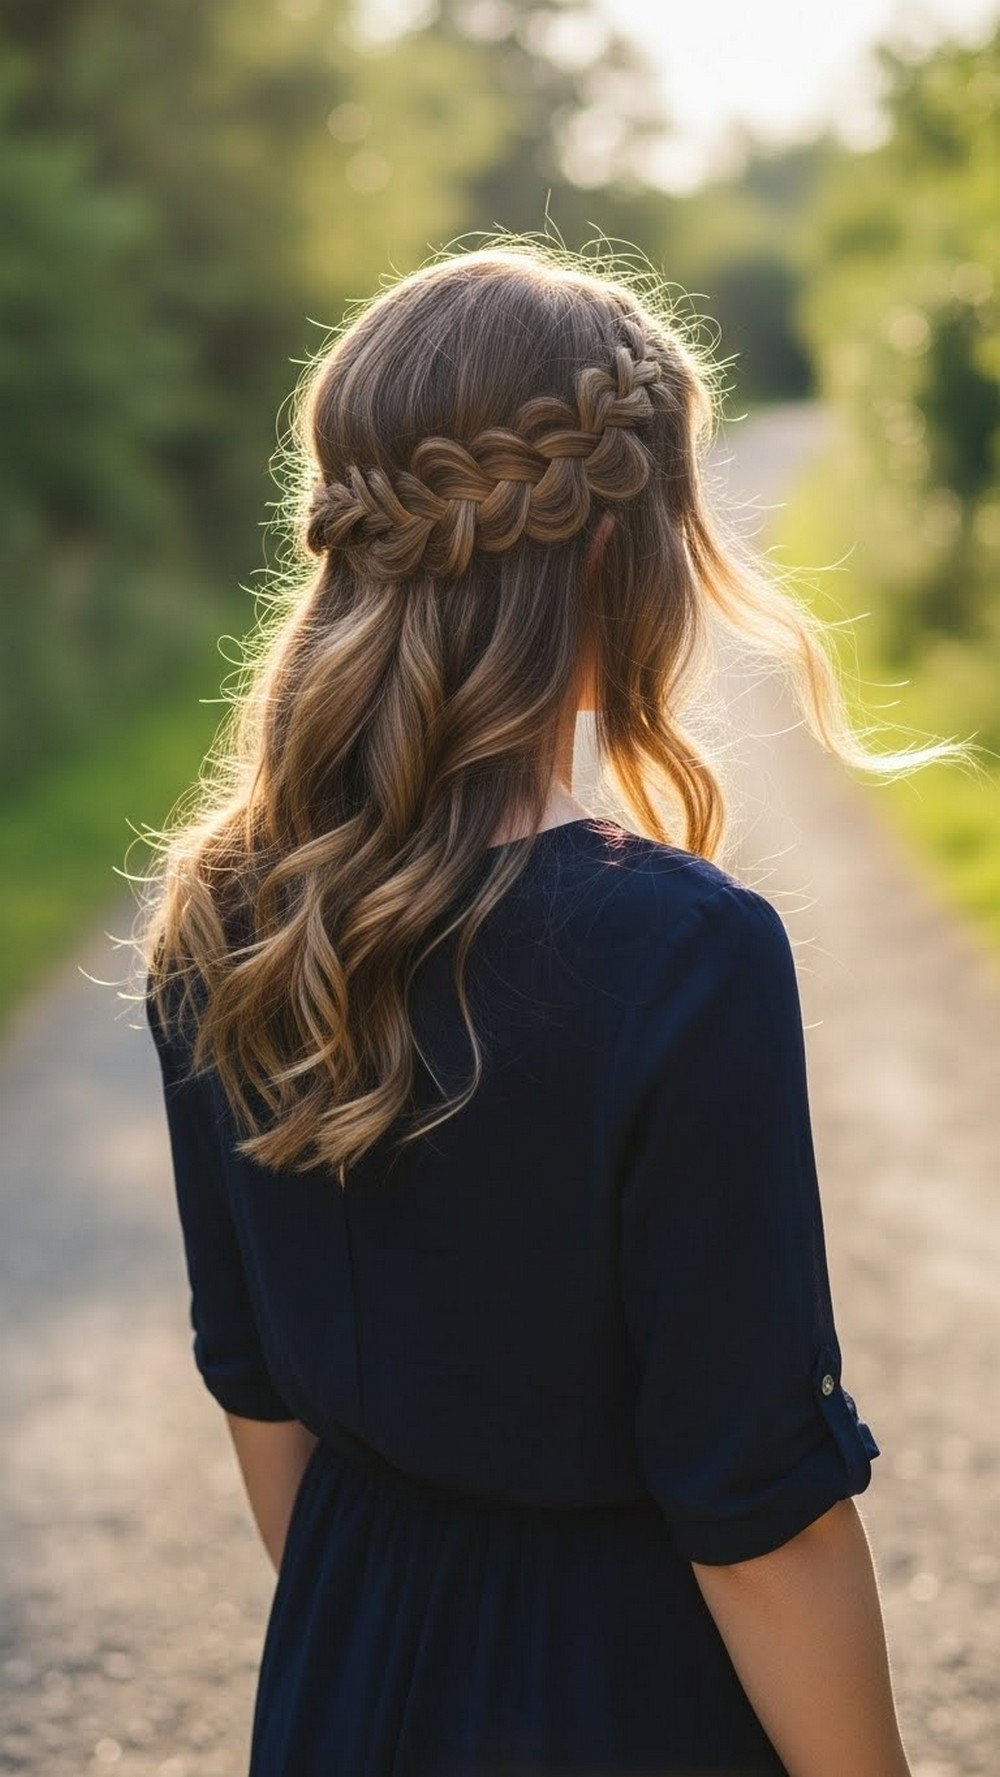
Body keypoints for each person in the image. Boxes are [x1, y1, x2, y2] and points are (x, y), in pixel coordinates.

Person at [136, 241, 937, 1776]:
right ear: (616, 556)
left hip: (341, 1678)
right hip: (621, 1700)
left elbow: (258, 1392)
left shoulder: (227, 914)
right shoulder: (679, 954)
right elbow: (758, 1506)